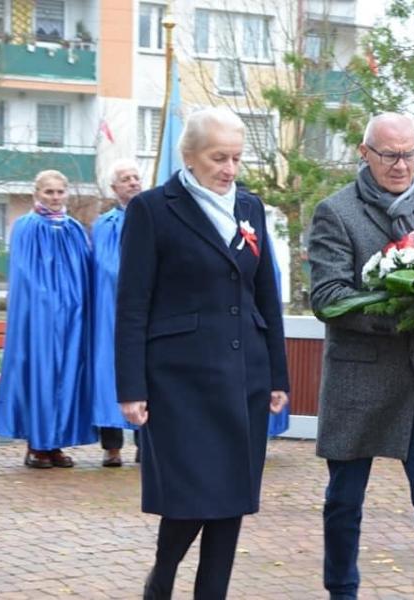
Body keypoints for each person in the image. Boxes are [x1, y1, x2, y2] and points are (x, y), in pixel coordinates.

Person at [115, 107, 289, 599]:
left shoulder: (249, 208)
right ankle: (162, 576)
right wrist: (131, 387)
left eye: (236, 158)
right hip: (179, 382)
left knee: (232, 499)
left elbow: (265, 295)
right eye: (219, 158)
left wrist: (278, 373)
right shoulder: (152, 209)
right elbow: (131, 304)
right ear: (189, 156)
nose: (229, 169)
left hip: (243, 377)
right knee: (190, 498)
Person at [309, 112, 414, 599]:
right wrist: (402, 311)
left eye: (410, 154)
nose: (401, 166)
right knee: (344, 502)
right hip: (358, 381)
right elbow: (329, 297)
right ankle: (341, 590)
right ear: (365, 153)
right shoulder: (335, 212)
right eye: (389, 155)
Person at [0, 170, 96, 467]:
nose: (54, 197)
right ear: (37, 193)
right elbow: (25, 274)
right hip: (38, 318)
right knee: (41, 373)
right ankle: (37, 444)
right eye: (48, 192)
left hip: (72, 317)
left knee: (68, 373)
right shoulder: (27, 227)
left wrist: (79, 304)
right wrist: (48, 302)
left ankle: (56, 444)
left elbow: (85, 271)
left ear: (66, 194)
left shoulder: (74, 229)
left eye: (59, 192)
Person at [92, 158, 142, 467]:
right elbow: (100, 267)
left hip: (144, 312)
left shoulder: (154, 218)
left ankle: (145, 444)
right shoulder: (103, 225)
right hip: (109, 312)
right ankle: (112, 447)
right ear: (114, 188)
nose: (134, 182)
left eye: (136, 177)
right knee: (108, 374)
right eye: (126, 179)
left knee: (143, 373)